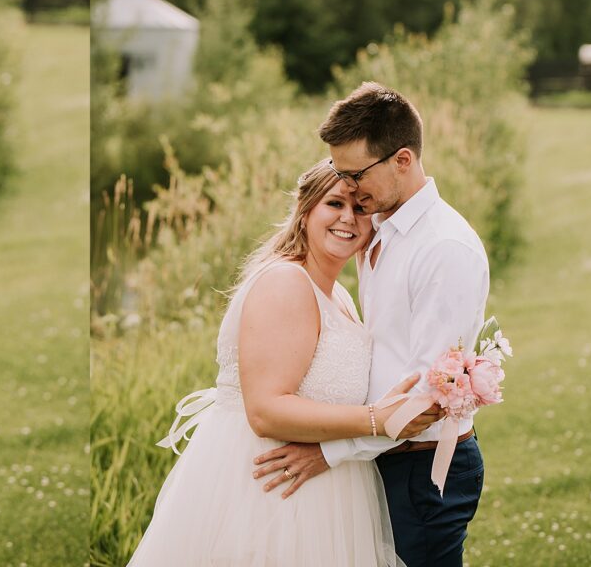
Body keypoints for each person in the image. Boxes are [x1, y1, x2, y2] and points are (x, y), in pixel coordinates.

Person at [128, 160, 438, 566]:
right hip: (270, 490)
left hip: (326, 489)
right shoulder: (285, 283)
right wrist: (376, 419)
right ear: (306, 209)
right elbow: (266, 410)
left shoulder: (338, 297)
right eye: (334, 204)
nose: (348, 218)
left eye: (361, 208)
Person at [253, 82, 488, 567]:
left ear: (403, 160)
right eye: (340, 172)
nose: (348, 187)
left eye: (355, 173)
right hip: (381, 457)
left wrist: (331, 452)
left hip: (422, 469)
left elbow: (429, 398)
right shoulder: (379, 227)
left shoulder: (444, 249)